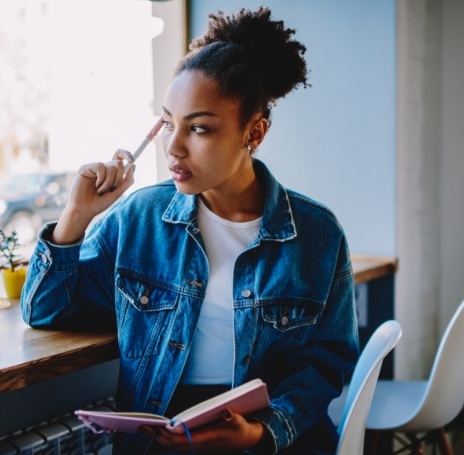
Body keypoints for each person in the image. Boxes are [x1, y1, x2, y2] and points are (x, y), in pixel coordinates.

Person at [21, 6, 358, 455]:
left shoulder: (316, 235)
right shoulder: (139, 218)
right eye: (167, 123)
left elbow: (325, 363)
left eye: (199, 128)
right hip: (160, 435)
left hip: (269, 438)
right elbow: (45, 311)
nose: (174, 147)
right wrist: (76, 215)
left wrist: (260, 432)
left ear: (253, 133)